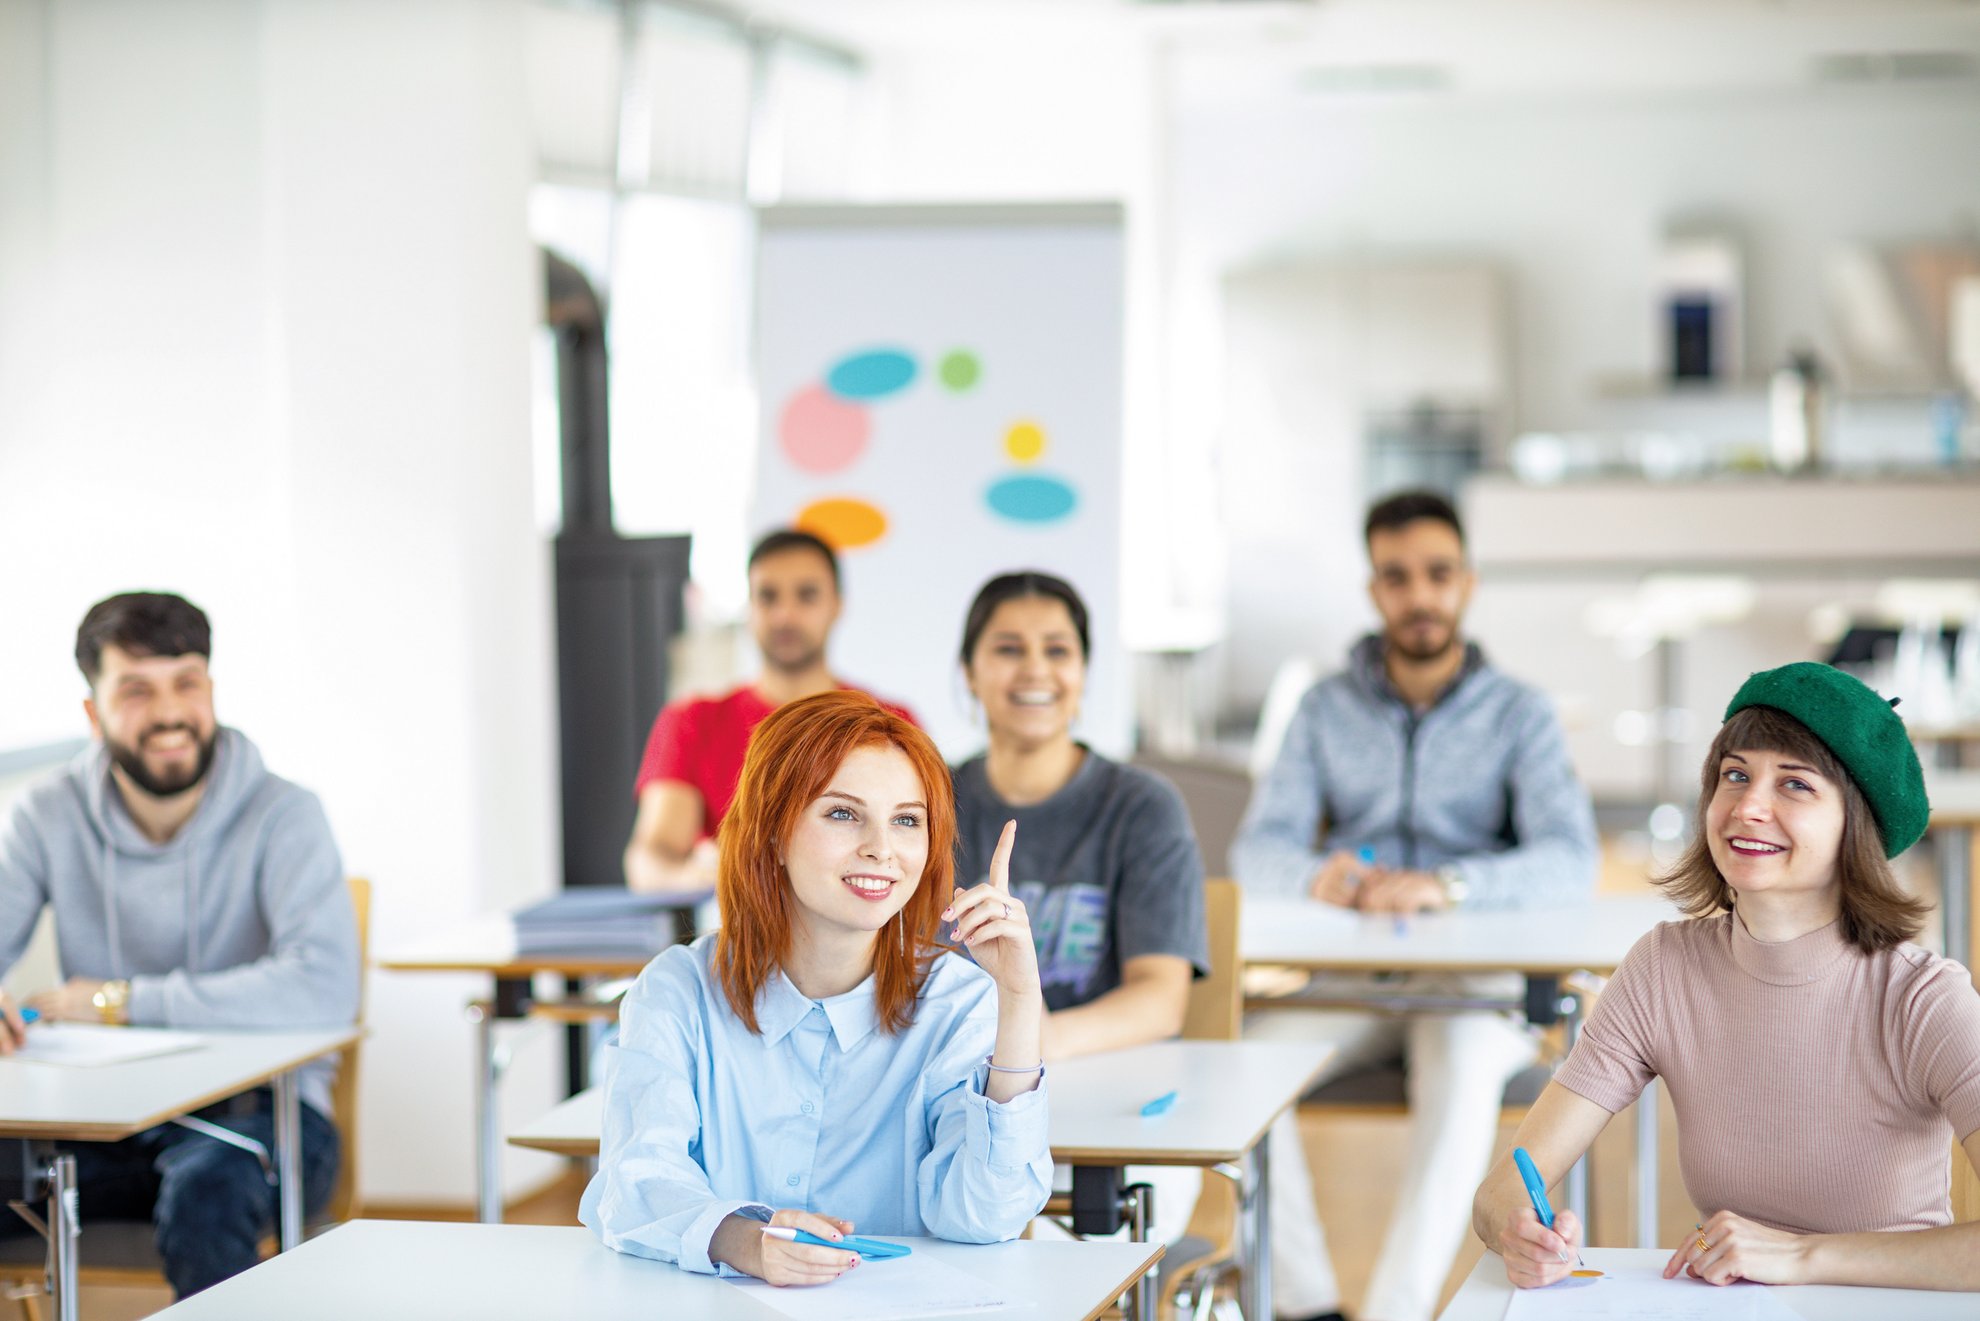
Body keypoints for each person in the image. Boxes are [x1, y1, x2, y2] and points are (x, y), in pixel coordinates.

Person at [1475, 661, 1980, 1291]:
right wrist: (1515, 1230)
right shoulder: (1664, 968)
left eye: (1795, 785)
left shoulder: (1924, 998)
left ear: (1857, 823)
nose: (1748, 806)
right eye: (1734, 775)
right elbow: (1505, 1186)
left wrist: (1801, 1257)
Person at [1230, 490, 1599, 1321]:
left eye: (1437, 574)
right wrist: (1317, 875)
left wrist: (1453, 883)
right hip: (1355, 982)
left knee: (1464, 1058)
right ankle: (1307, 1304)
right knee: (1246, 1065)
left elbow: (1570, 859)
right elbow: (1258, 849)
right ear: (1374, 592)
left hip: (1476, 990)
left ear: (1466, 583)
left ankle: (1396, 1310)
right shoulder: (1322, 709)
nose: (1419, 595)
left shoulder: (1521, 712)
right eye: (1397, 577)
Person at [581, 690, 1051, 1282]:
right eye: (843, 813)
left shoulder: (958, 1004)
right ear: (773, 833)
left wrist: (1018, 1002)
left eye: (907, 820)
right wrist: (741, 1240)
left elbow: (986, 1216)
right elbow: (635, 1184)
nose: (882, 849)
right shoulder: (677, 993)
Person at [0, 592, 359, 1298]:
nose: (169, 712)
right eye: (137, 689)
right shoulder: (46, 813)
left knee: (205, 1198)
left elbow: (324, 985)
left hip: (258, 1114)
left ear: (212, 691)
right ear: (92, 712)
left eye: (187, 683)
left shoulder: (286, 814)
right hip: (99, 1116)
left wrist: (118, 1000)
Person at [623, 528, 917, 895]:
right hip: (739, 937)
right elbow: (650, 859)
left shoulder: (892, 723)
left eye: (806, 595)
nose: (785, 615)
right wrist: (705, 876)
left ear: (837, 605)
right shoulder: (693, 723)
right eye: (768, 596)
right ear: (749, 607)